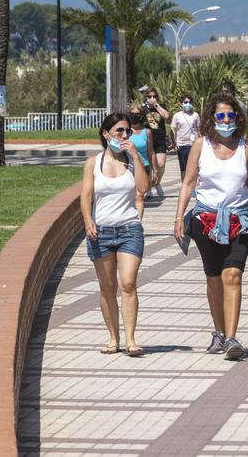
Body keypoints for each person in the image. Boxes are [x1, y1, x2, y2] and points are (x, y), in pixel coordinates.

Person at [174, 93, 248, 361]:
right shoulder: (201, 145)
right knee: (214, 278)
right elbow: (189, 183)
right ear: (213, 118)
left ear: (238, 116)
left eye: (231, 115)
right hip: (206, 221)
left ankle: (232, 338)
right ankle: (219, 332)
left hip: (241, 220)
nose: (227, 120)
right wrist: (179, 217)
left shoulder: (246, 148)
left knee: (232, 275)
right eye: (221, 115)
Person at [80, 112, 149, 357]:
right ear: (105, 133)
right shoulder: (93, 163)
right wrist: (88, 221)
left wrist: (135, 155)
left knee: (128, 283)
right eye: (119, 130)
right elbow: (86, 196)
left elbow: (143, 188)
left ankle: (131, 340)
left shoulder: (131, 161)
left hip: (130, 229)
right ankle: (113, 338)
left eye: (127, 131)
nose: (124, 135)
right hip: (102, 232)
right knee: (107, 288)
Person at [141, 87, 171, 197]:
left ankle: (157, 183)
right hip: (147, 140)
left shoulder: (160, 106)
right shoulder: (143, 109)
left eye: (154, 96)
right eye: (149, 96)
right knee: (148, 165)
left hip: (160, 139)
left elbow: (167, 116)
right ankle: (148, 187)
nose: (152, 98)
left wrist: (156, 105)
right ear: (146, 97)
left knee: (161, 163)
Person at [127, 103, 153, 206]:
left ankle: (138, 218)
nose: (134, 116)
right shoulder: (125, 131)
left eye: (137, 114)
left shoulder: (146, 132)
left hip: (144, 166)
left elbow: (151, 152)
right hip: (129, 166)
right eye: (132, 113)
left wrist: (154, 170)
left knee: (140, 195)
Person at [170, 94, 200, 176]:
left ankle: (192, 188)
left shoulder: (195, 115)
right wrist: (174, 143)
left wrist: (200, 142)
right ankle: (184, 186)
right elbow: (173, 129)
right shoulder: (177, 115)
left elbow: (198, 129)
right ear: (181, 103)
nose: (188, 104)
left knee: (194, 167)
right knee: (183, 168)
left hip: (193, 144)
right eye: (185, 102)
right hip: (181, 144)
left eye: (190, 102)